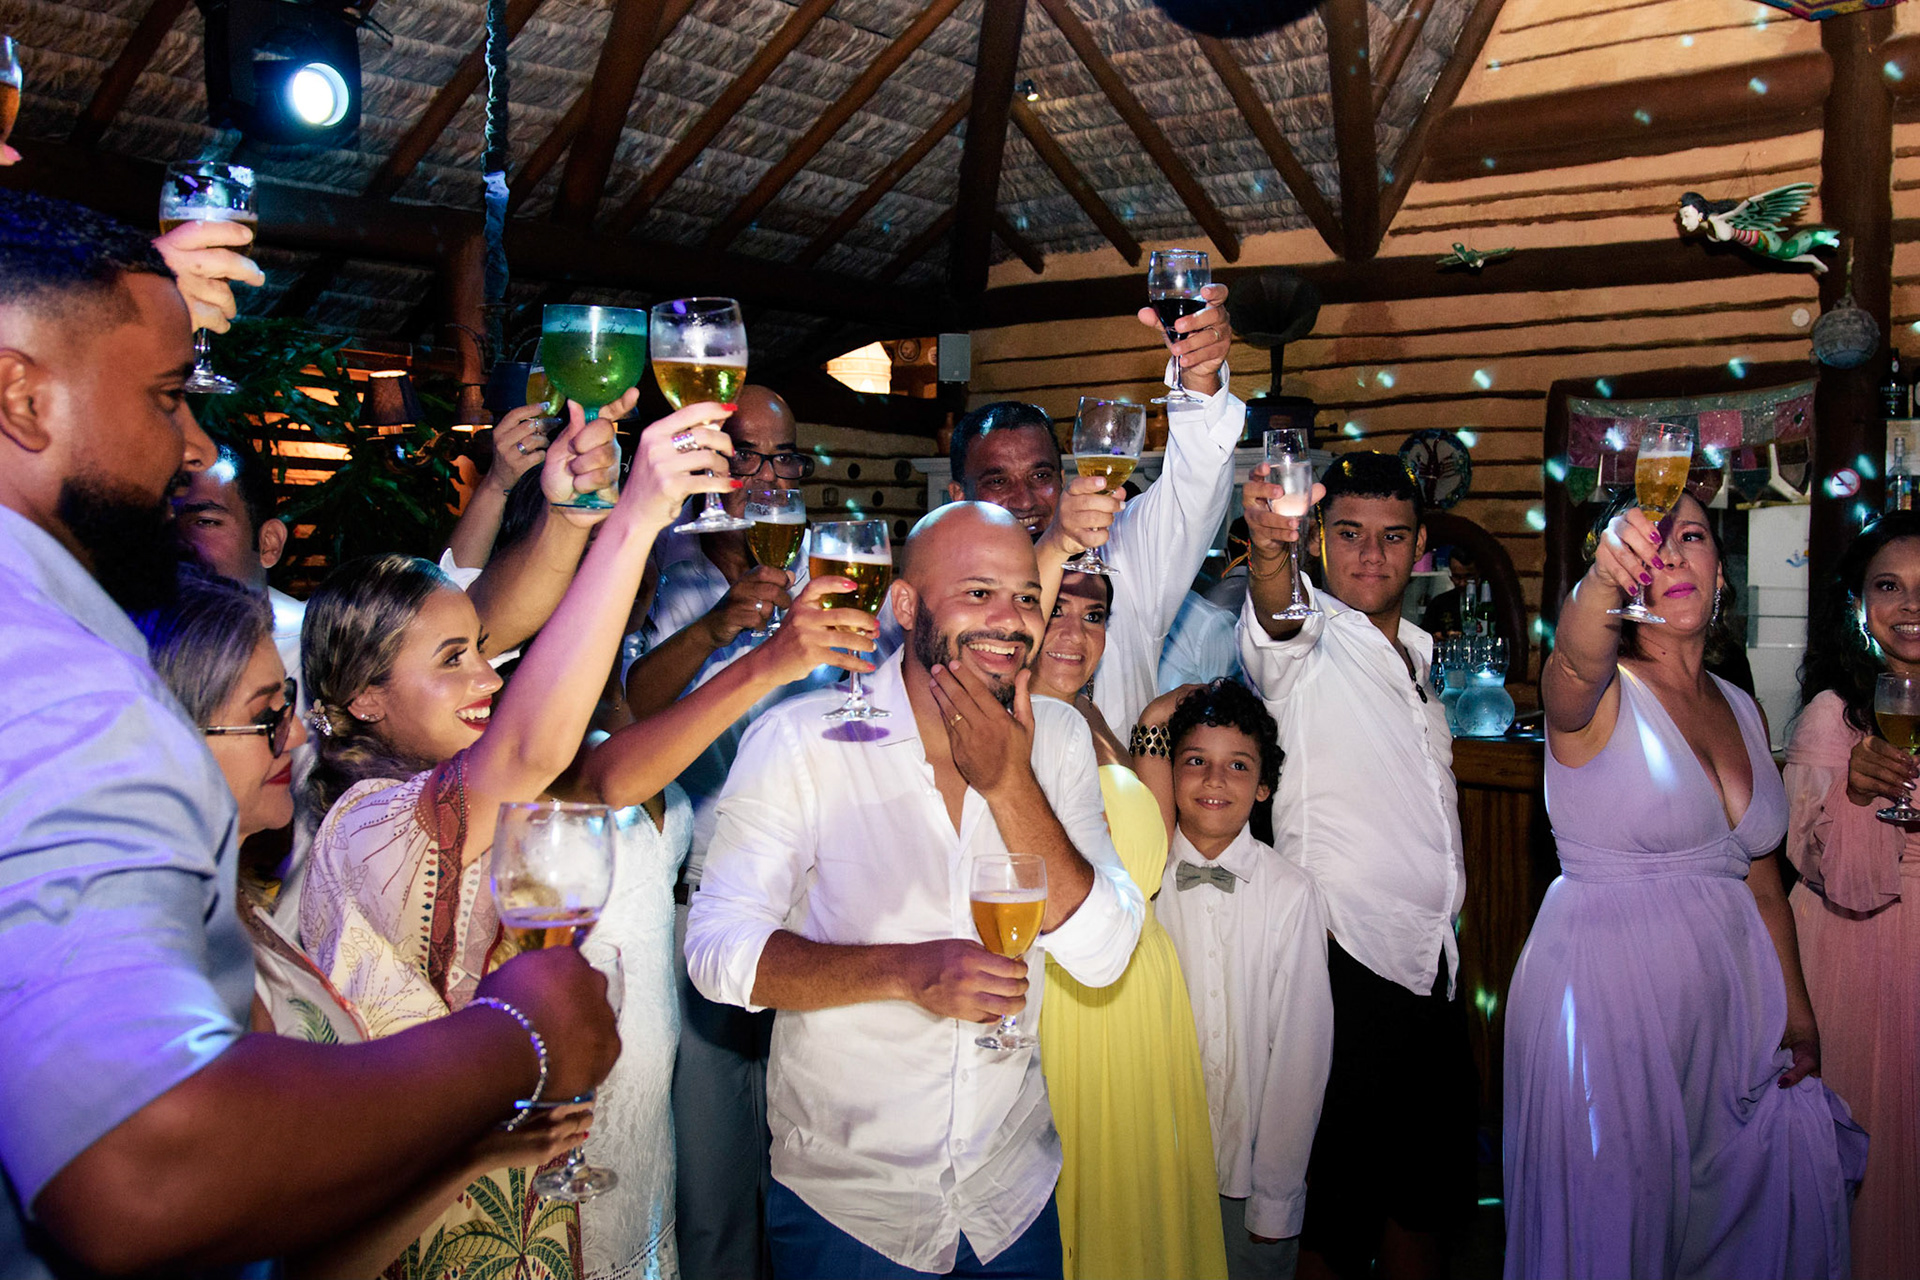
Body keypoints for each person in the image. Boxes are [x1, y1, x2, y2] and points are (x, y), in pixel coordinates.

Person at [0, 187, 616, 1277]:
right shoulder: (64, 686)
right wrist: (516, 1034)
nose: (193, 448)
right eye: (163, 397)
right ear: (19, 396)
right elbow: (144, 1163)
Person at [296, 392, 734, 1277]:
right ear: (365, 699)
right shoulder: (365, 822)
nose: (487, 679)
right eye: (452, 663)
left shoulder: (429, 777)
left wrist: (573, 516)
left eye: (482, 655)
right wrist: (635, 521)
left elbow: (502, 613)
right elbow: (533, 751)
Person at [687, 502, 1144, 1279]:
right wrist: (902, 972)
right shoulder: (803, 739)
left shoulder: (1061, 739)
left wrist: (1010, 786)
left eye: (1026, 597)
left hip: (1011, 1199)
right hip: (851, 1211)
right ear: (905, 605)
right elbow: (716, 953)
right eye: (977, 593)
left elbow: (1104, 955)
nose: (1011, 620)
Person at [134, 568, 595, 1279]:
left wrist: (471, 1152)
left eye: (285, 706)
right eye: (265, 717)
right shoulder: (162, 969)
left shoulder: (234, 920)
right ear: (171, 739)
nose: (293, 734)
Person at [1504, 488, 1865, 1279]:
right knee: (1614, 1234)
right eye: (1648, 544)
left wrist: (1796, 1013)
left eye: (1692, 536)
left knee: (1724, 1238)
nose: (1670, 555)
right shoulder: (1595, 693)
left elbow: (1763, 878)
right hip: (1607, 1005)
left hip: (1727, 1016)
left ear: (1720, 574)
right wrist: (1600, 582)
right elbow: (1567, 661)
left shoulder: (1742, 707)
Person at [565, 566, 880, 1279]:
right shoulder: (543, 726)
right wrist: (767, 659)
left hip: (724, 969)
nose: (634, 601)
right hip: (623, 1000)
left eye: (637, 586)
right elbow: (608, 778)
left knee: (774, 1182)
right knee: (706, 1208)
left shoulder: (619, 688)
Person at [1235, 451, 1475, 1280]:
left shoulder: (1416, 655)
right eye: (1349, 534)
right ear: (1323, 545)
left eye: (1392, 537)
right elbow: (1275, 615)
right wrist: (1272, 551)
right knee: (1332, 1221)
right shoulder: (1305, 641)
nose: (1371, 555)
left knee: (1425, 1201)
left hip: (1432, 964)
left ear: (1419, 551)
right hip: (1343, 964)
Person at [622, 383, 825, 1280]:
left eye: (784, 459)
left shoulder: (832, 568)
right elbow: (628, 715)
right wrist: (718, 628)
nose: (769, 478)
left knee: (814, 1165)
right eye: (748, 457)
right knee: (709, 1181)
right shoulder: (660, 564)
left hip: (819, 908)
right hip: (700, 904)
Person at [1027, 572, 1227, 1280]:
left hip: (1142, 986)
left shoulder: (1085, 712)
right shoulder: (1012, 730)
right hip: (1074, 1000)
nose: (1075, 635)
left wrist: (1146, 723)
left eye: (1094, 615)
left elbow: (1147, 848)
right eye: (1056, 612)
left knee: (1139, 1208)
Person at [940, 288, 1240, 732]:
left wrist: (1199, 379)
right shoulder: (937, 589)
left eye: (1041, 477)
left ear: (1061, 481)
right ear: (957, 496)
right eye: (998, 481)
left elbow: (1194, 488)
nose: (1024, 500)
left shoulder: (1121, 555)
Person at [1132, 678, 1332, 1280]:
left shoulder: (1292, 896)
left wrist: (1275, 1198)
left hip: (1248, 1183)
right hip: (1152, 1171)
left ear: (1264, 786)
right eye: (1195, 762)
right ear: (1169, 773)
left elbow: (1301, 1056)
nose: (1215, 781)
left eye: (1237, 766)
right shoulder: (1141, 882)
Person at [1787, 508, 1920, 1278]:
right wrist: (1860, 794)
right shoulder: (1833, 718)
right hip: (1853, 953)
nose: (1908, 606)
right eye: (1888, 586)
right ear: (1860, 605)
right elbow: (1823, 869)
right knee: (1865, 1164)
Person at [175, 440, 307, 682]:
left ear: (269, 543)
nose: (178, 541)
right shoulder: (125, 648)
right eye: (163, 522)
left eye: (205, 522)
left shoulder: (320, 649)